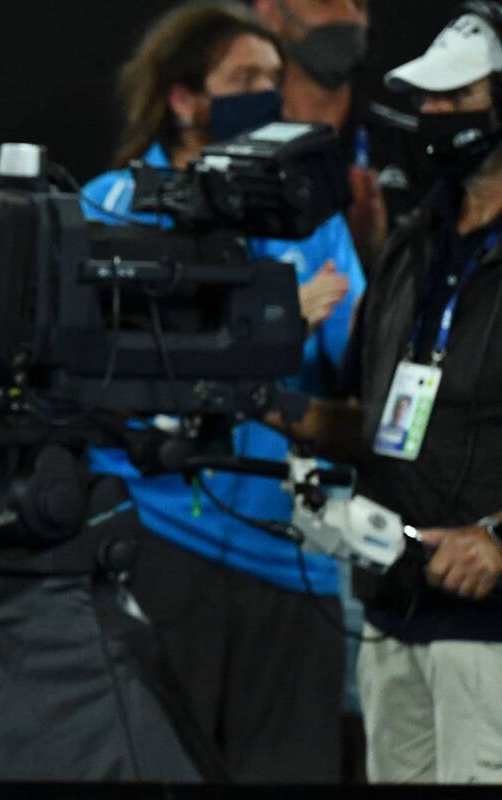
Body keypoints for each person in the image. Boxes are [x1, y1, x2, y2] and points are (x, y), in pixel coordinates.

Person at [79, 1, 364, 782]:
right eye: (245, 79)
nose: (267, 95)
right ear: (184, 98)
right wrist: (278, 324)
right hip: (165, 543)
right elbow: (94, 364)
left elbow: (360, 368)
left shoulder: (314, 223)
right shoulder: (115, 203)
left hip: (294, 565)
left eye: (276, 78)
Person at [288, 2, 502, 784]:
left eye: (459, 99)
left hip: (489, 641)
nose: (435, 115)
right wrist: (282, 414)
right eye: (430, 100)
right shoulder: (413, 243)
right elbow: (367, 420)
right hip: (391, 619)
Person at [252, 0, 389, 280]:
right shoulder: (240, 143)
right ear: (269, 12)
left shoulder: (406, 144)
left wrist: (376, 252)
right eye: (326, 1)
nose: (349, 16)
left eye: (359, 5)